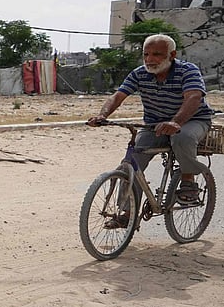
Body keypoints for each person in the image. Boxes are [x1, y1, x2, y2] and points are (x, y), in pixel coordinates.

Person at [87, 33, 213, 203]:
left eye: (157, 54)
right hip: (154, 125)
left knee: (182, 137)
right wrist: (102, 115)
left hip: (192, 120)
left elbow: (193, 97)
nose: (150, 59)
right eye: (146, 54)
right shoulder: (139, 74)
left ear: (172, 55)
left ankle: (188, 182)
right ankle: (125, 213)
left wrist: (176, 122)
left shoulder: (188, 70)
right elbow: (117, 96)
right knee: (131, 163)